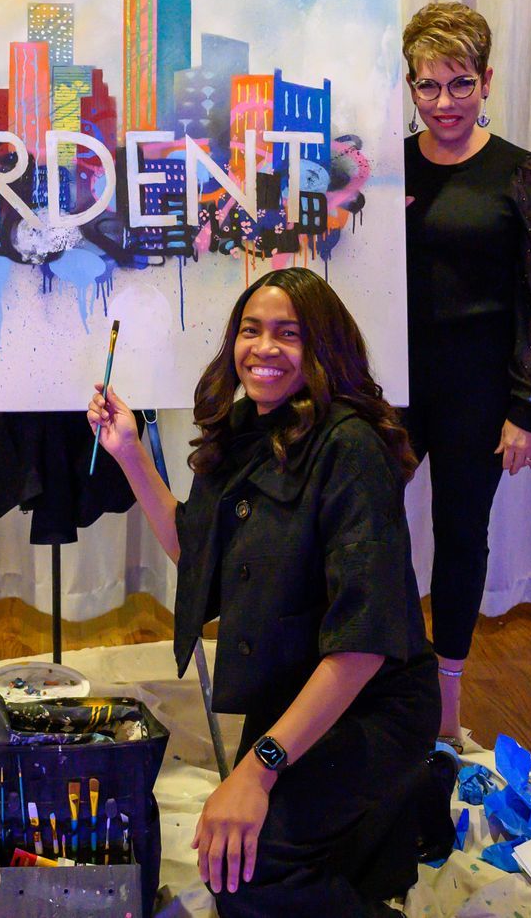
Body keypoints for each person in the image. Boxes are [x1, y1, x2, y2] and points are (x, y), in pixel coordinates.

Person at [87, 269, 451, 916]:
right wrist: (130, 453)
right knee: (233, 854)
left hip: (374, 705)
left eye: (289, 333)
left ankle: (399, 799)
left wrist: (258, 769)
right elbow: (197, 554)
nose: (263, 347)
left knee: (244, 876)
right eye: (251, 330)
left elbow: (363, 646)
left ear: (324, 348)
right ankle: (396, 817)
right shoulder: (246, 430)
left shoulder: (350, 448)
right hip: (291, 689)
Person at [401, 2, 531, 745]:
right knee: (361, 526)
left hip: (478, 394)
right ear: (409, 85)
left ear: (487, 80)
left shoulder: (525, 178)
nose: (444, 103)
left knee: (460, 534)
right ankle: (369, 674)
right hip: (394, 389)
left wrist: (528, 408)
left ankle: (445, 700)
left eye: (461, 84)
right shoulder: (383, 166)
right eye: (428, 86)